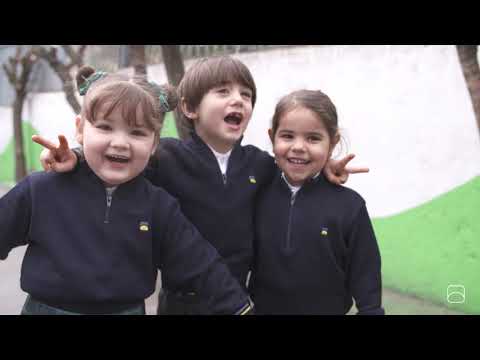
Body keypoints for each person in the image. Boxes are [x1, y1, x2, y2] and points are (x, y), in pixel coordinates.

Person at [33, 56, 367, 314]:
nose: (237, 100)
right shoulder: (166, 156)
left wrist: (323, 168)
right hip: (180, 300)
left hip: (237, 297)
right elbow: (119, 161)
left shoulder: (259, 165)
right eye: (223, 92)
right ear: (190, 108)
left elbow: (293, 170)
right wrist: (76, 158)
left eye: (245, 95)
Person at [0, 65, 253, 315]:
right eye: (105, 127)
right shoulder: (41, 190)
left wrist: (239, 308)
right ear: (80, 129)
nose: (120, 143)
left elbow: (200, 263)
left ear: (154, 143)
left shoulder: (158, 206)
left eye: (137, 132)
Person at [249, 89, 384, 315]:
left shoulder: (350, 207)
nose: (299, 147)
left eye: (313, 138)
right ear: (272, 138)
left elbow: (366, 275)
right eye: (288, 136)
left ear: (332, 144)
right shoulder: (256, 192)